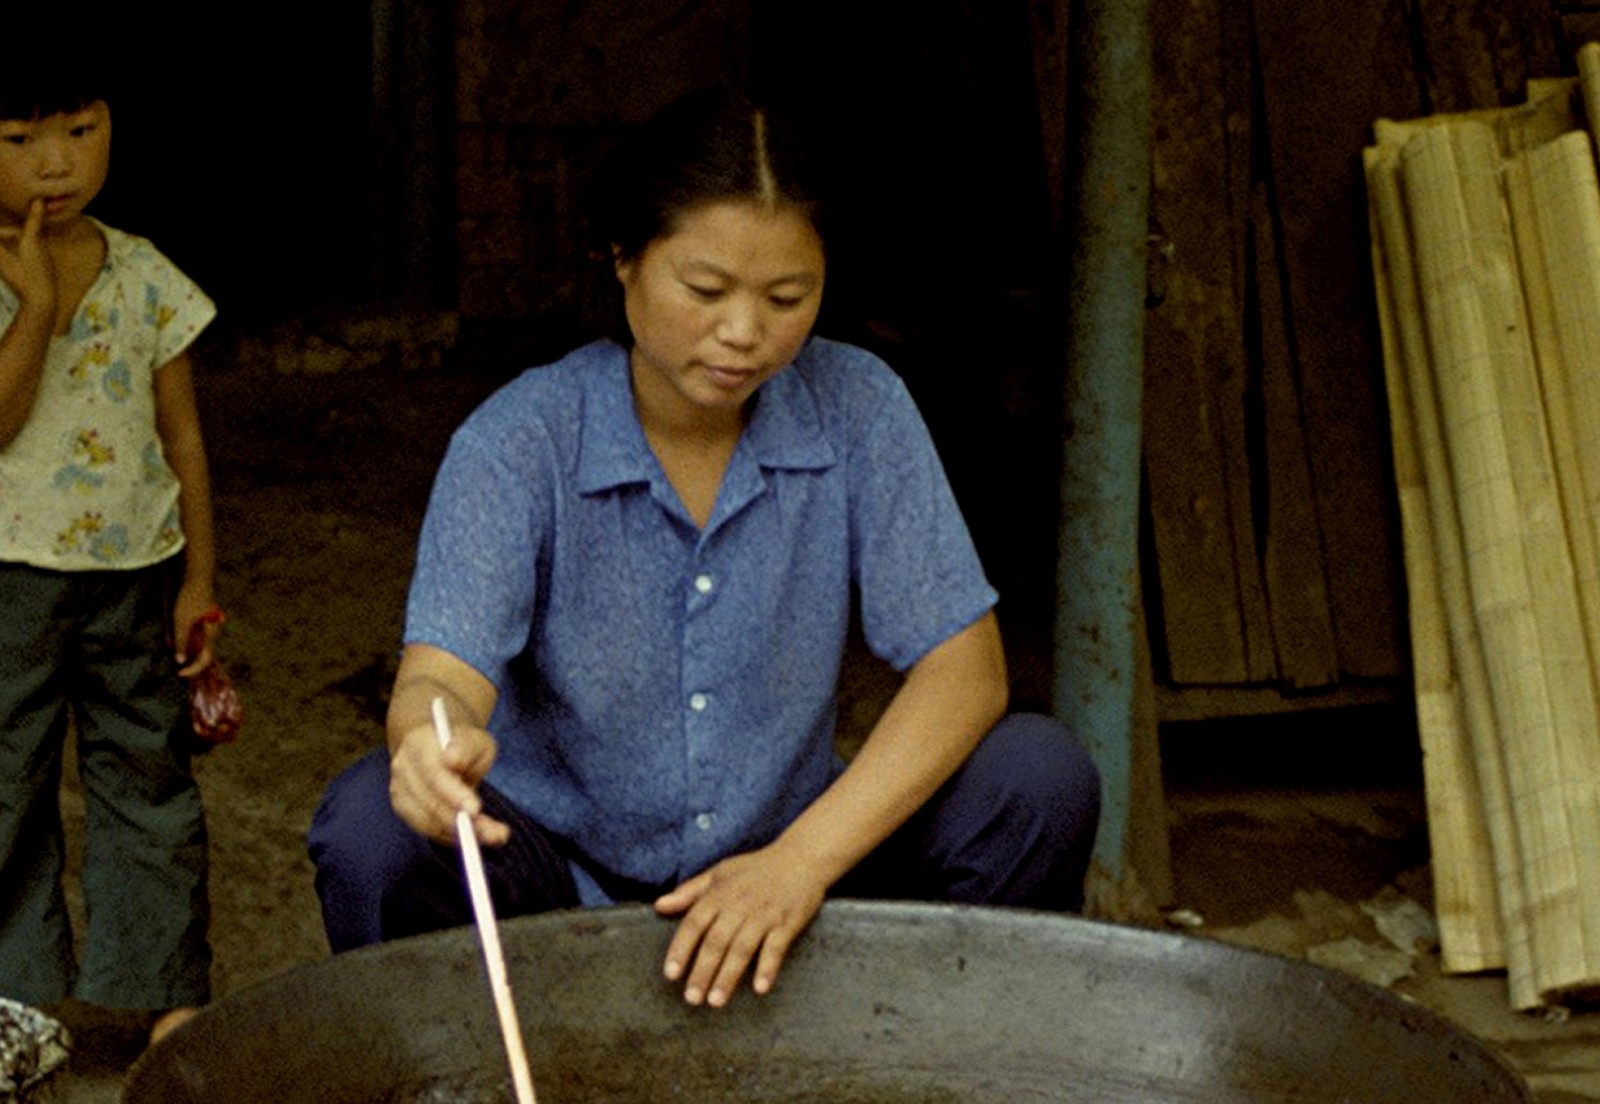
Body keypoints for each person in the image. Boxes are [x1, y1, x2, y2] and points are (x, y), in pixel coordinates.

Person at [308, 88, 1099, 1010]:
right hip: (560, 895)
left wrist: (799, 863)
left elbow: (966, 672)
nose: (744, 333)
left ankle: (933, 1087)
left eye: (787, 297)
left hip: (798, 880)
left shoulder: (858, 406)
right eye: (706, 290)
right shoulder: (521, 440)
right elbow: (442, 679)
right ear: (623, 258)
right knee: (373, 827)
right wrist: (425, 746)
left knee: (1036, 779)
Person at [0, 59, 220, 1046]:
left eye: (79, 129)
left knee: (150, 786)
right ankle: (6, 1007)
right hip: (1, 586)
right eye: (18, 140)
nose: (54, 165)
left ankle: (167, 997)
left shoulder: (148, 274)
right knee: (1, 791)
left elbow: (183, 438)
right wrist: (31, 307)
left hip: (137, 577)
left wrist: (199, 578)